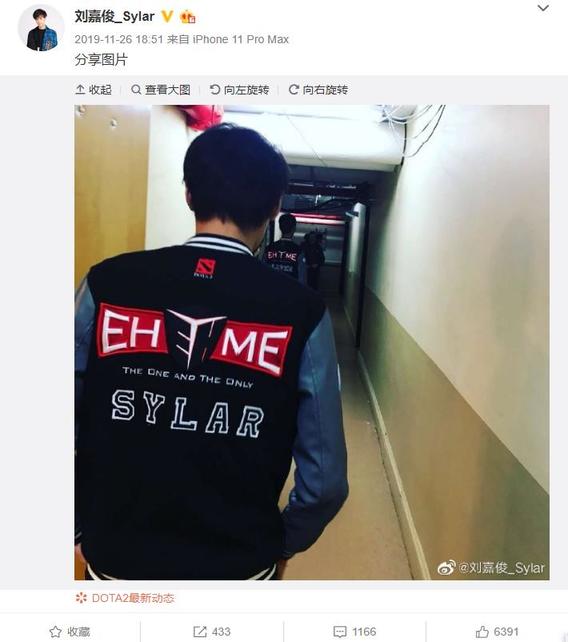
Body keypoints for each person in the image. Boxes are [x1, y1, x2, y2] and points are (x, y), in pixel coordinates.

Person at [75, 123, 348, 581]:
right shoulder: (303, 312)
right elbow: (325, 484)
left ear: (188, 194)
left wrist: (78, 524)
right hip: (239, 566)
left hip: (118, 557)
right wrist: (282, 542)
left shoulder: (107, 283)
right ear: (275, 206)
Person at [262, 213, 306, 283]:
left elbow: (263, 272)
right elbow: (301, 278)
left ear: (280, 227)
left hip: (271, 286)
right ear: (294, 228)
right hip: (290, 288)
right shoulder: (298, 251)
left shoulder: (269, 248)